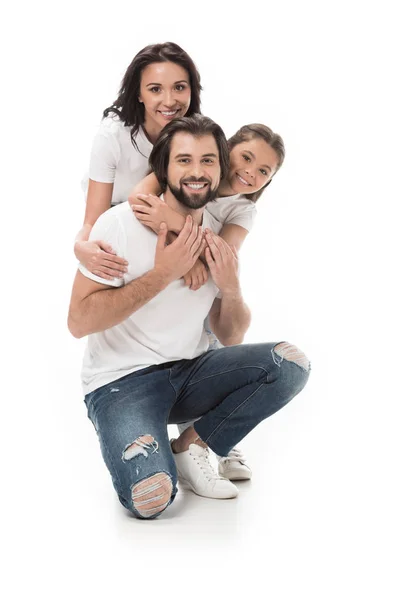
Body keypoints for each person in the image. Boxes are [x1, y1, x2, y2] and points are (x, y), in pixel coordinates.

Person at [68, 114, 310, 520]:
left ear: (220, 169)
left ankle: (193, 444)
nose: (197, 172)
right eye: (184, 161)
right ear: (164, 166)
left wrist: (229, 285)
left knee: (290, 365)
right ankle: (157, 451)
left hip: (191, 371)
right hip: (122, 383)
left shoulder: (222, 233)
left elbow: (228, 336)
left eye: (207, 162)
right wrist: (164, 272)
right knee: (152, 499)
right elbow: (77, 323)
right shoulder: (122, 224)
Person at [129, 123, 285, 481]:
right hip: (163, 287)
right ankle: (205, 440)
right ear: (226, 150)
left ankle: (216, 442)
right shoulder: (193, 170)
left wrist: (171, 221)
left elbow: (223, 256)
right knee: (181, 357)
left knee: (209, 355)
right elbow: (140, 198)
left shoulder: (242, 210)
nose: (251, 172)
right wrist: (195, 247)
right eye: (246, 158)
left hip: (203, 295)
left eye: (264, 171)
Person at [74, 41, 202, 277]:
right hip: (116, 212)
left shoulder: (195, 134)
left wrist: (188, 251)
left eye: (179, 87)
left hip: (165, 213)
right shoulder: (112, 135)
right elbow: (94, 220)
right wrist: (80, 246)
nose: (170, 101)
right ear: (139, 94)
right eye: (155, 89)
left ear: (192, 89)